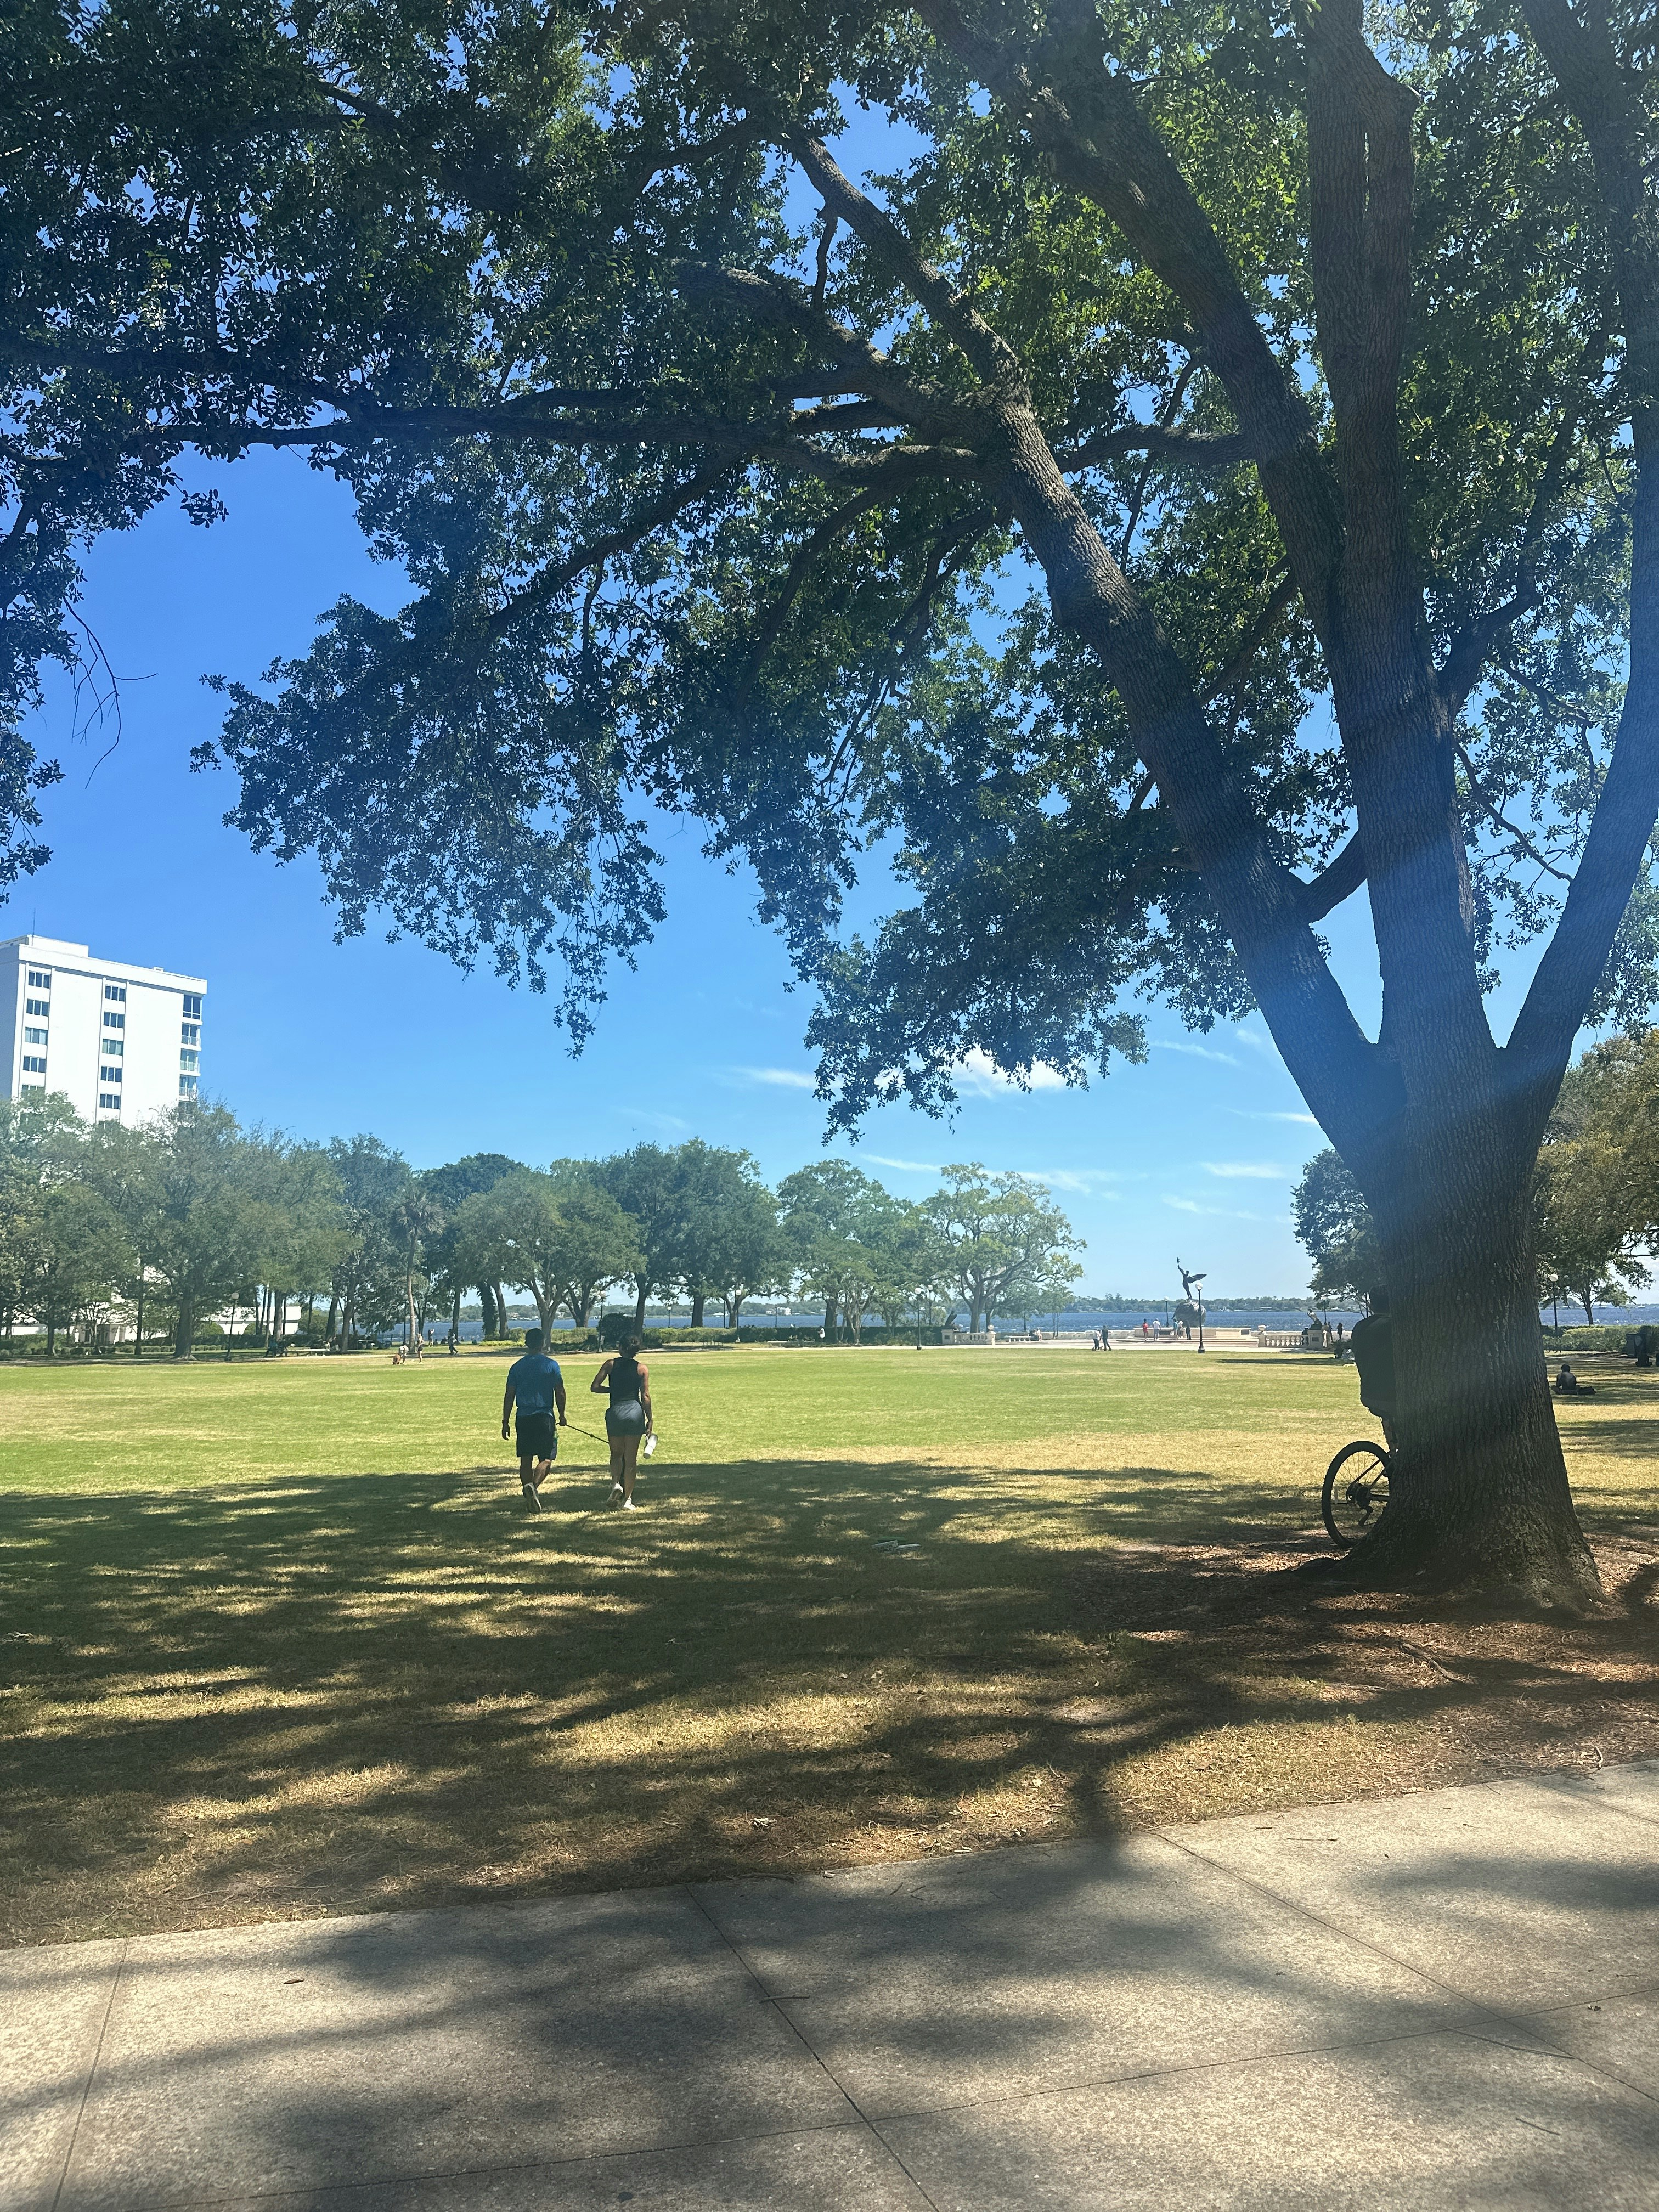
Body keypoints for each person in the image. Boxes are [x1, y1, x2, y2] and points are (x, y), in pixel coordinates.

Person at [501, 1327, 567, 1510]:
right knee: (546, 1459)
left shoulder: (517, 1367)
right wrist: (562, 1415)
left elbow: (509, 1395)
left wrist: (505, 1422)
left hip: (523, 1417)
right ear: (543, 1343)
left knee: (525, 1460)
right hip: (544, 1417)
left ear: (526, 1344)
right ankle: (533, 1487)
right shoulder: (551, 1365)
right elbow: (560, 1391)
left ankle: (529, 1494)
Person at [591, 1336, 652, 1508]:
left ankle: (616, 1483)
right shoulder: (642, 1369)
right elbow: (645, 1396)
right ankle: (627, 1500)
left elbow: (595, 1387)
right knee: (631, 1459)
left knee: (616, 1454)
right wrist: (650, 1419)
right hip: (635, 1412)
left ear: (622, 1349)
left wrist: (612, 1389)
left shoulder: (610, 1364)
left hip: (615, 1411)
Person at [1350, 1288, 1397, 1453]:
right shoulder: (1395, 1327)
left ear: (1371, 1306)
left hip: (1369, 1394)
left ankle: (1393, 1455)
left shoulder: (1360, 1327)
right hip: (1395, 1395)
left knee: (1388, 1416)